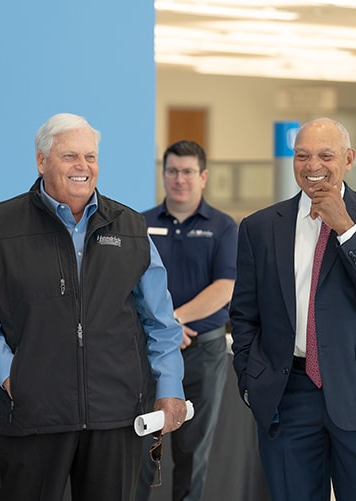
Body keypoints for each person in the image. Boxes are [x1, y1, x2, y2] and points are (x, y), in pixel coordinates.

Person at [0, 112, 187, 501]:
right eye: (70, 157)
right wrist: (13, 376)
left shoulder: (130, 228)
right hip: (32, 413)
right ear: (41, 161)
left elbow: (160, 321)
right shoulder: (0, 227)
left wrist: (170, 386)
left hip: (115, 415)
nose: (83, 167)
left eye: (90, 157)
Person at [230, 117, 356, 501]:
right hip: (287, 392)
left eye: (325, 155)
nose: (313, 166)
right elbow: (244, 314)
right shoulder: (260, 227)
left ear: (348, 159)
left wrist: (345, 227)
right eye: (302, 156)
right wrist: (251, 379)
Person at [137, 140, 237, 501]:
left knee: (193, 452)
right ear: (163, 174)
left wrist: (173, 321)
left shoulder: (223, 227)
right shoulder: (139, 225)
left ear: (204, 176)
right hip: (147, 353)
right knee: (143, 448)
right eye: (172, 171)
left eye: (188, 171)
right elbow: (128, 286)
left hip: (202, 354)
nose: (179, 179)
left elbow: (225, 286)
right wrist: (163, 330)